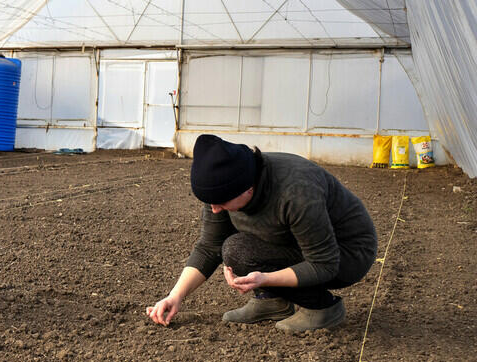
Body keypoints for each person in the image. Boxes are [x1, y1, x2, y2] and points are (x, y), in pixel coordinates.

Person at [146, 134, 377, 333]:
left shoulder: (295, 193)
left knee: (239, 252)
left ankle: (322, 308)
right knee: (236, 249)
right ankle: (271, 301)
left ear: (248, 188)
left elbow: (325, 263)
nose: (214, 209)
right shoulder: (224, 186)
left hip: (346, 254)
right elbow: (209, 246)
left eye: (220, 202)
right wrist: (175, 296)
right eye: (210, 202)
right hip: (297, 243)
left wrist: (265, 278)